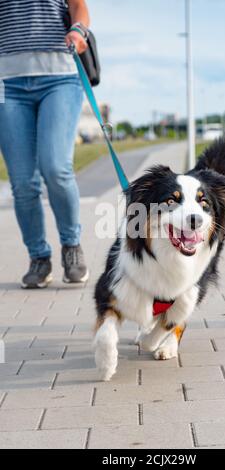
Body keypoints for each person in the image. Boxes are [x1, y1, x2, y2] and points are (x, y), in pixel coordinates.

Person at [0, 0, 90, 288]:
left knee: (56, 167)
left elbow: (78, 6)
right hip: (6, 82)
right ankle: (39, 258)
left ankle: (71, 246)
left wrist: (78, 31)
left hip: (60, 77)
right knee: (23, 181)